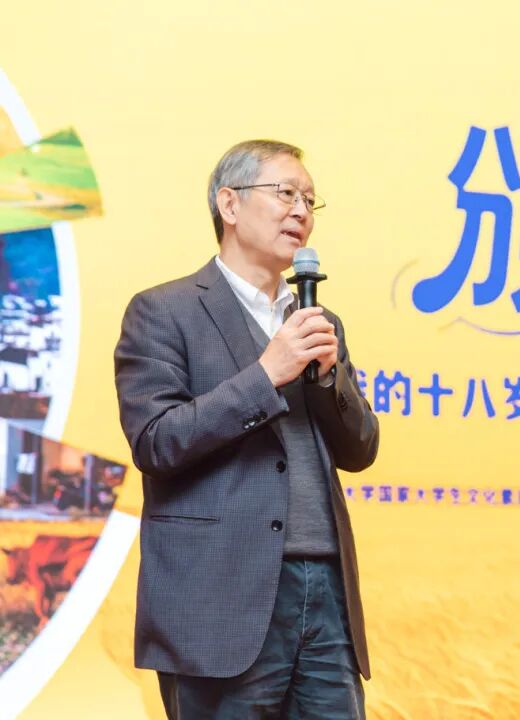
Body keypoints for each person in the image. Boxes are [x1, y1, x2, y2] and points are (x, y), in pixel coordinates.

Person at [114, 139, 379, 719]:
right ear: (229, 204)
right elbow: (157, 441)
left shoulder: (316, 320)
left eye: (310, 200)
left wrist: (327, 381)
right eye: (286, 193)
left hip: (324, 589)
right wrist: (266, 374)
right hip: (219, 594)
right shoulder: (164, 310)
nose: (301, 211)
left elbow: (361, 449)